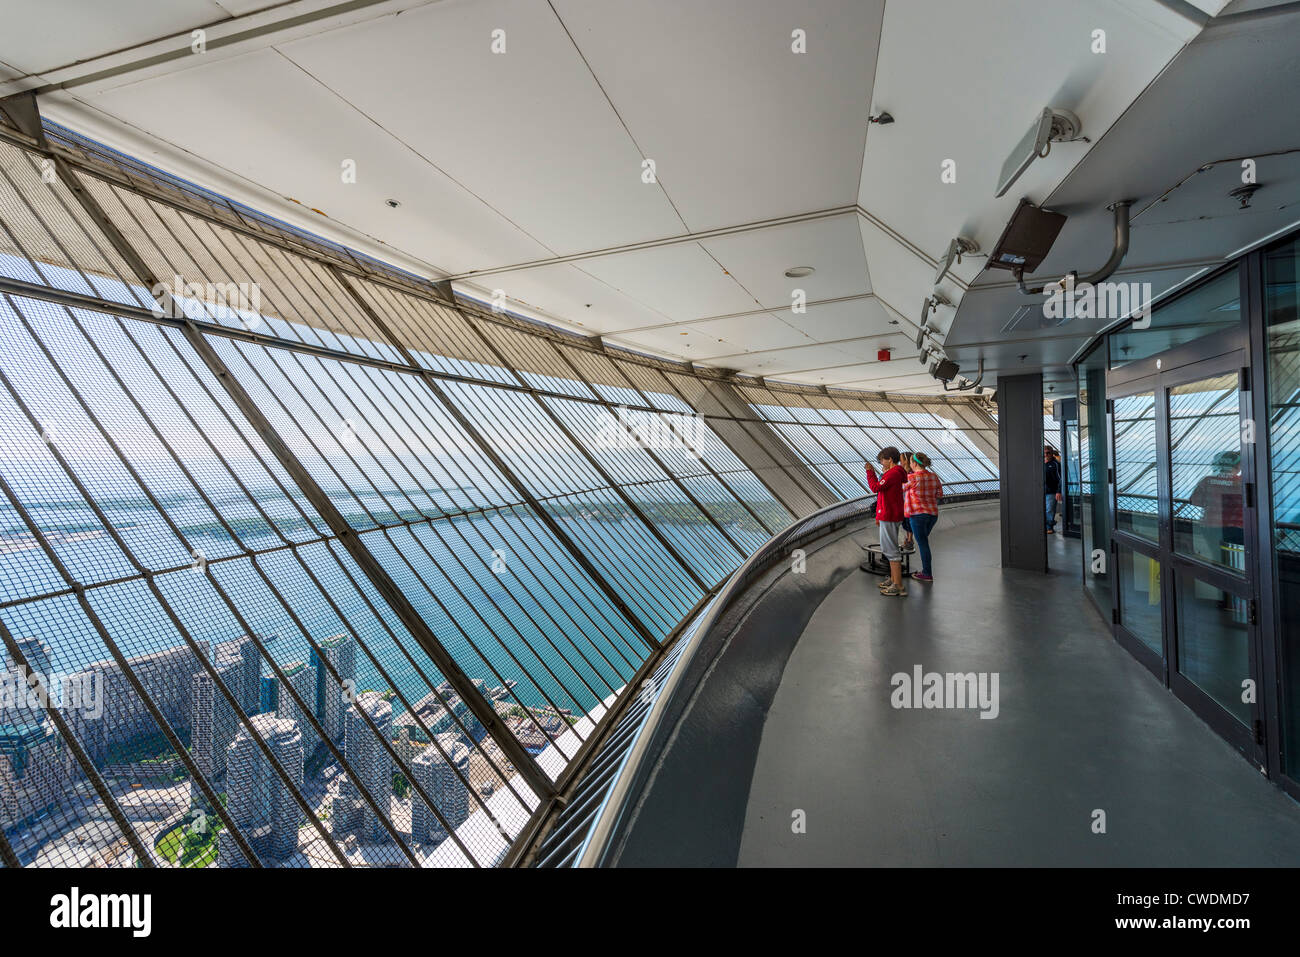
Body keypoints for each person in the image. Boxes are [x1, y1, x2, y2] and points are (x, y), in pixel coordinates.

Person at [866, 446, 908, 597]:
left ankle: (898, 585)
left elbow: (875, 487)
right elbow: (885, 493)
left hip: (889, 515)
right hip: (890, 514)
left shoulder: (893, 474)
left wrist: (870, 472)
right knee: (889, 547)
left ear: (890, 459)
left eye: (882, 460)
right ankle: (894, 579)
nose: (881, 463)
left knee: (891, 550)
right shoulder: (896, 473)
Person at [904, 452, 943, 582]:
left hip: (918, 515)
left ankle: (927, 573)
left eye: (910, 462)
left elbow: (899, 488)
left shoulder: (912, 478)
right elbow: (939, 494)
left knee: (923, 544)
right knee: (923, 542)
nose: (909, 464)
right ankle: (926, 571)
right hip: (932, 515)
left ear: (914, 463)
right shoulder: (934, 476)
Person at [1044, 446, 1062, 534]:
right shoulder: (1040, 463)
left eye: (1048, 453)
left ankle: (1049, 527)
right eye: (1044, 453)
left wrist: (1059, 491)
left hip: (1051, 491)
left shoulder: (1056, 464)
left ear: (1052, 453)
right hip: (1040, 491)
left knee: (1049, 510)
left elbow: (1060, 479)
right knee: (1042, 510)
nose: (1046, 455)